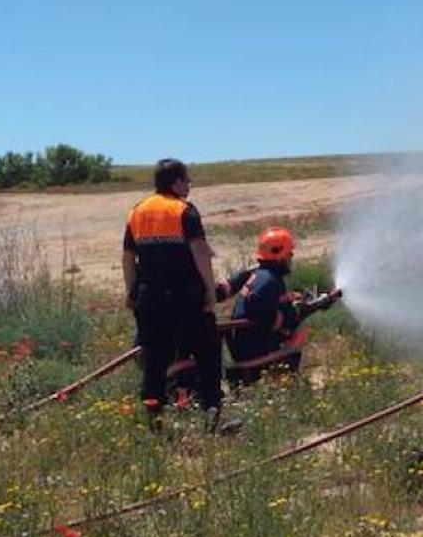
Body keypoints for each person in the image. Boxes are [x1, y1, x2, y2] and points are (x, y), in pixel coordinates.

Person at [122, 159, 225, 431]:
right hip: (185, 298)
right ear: (176, 182)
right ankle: (211, 415)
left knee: (154, 363)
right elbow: (200, 252)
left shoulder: (137, 211)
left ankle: (154, 424)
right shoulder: (184, 211)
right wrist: (210, 292)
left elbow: (127, 258)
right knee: (208, 354)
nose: (189, 185)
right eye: (187, 180)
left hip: (150, 300)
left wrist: (132, 292)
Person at [226, 226, 339, 386]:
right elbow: (270, 311)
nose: (291, 257)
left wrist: (311, 304)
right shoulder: (269, 280)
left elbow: (280, 307)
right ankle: (288, 385)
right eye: (288, 254)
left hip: (245, 345)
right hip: (254, 350)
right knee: (298, 336)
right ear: (278, 254)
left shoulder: (262, 275)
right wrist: (283, 319)